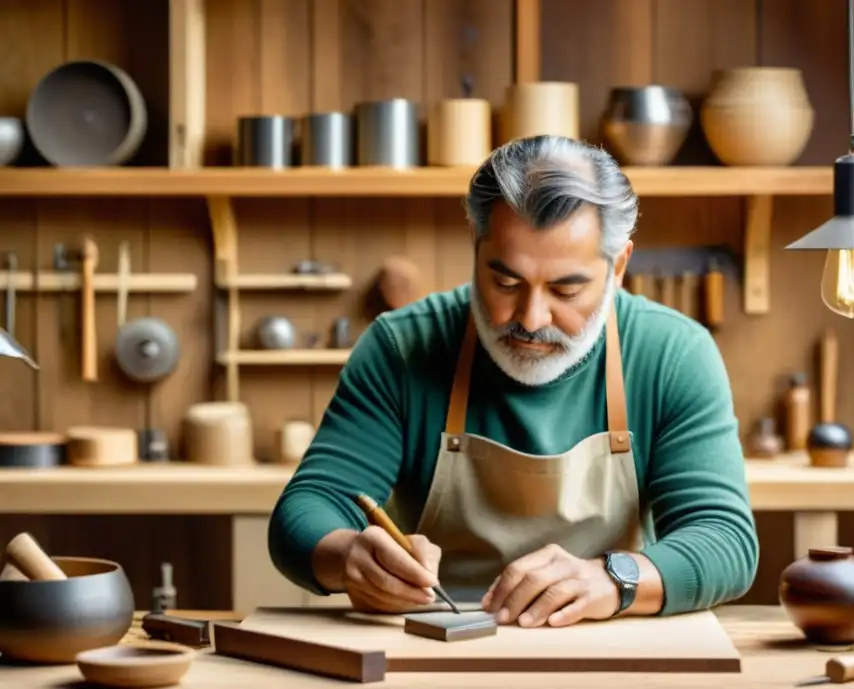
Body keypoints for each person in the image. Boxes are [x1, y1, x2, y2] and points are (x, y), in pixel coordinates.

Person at [268, 135, 758, 628]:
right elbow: (307, 510)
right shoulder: (403, 348)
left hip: (609, 646)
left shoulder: (672, 354)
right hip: (438, 640)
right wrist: (350, 557)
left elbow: (724, 539)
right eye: (505, 283)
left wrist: (613, 579)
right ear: (476, 248)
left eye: (567, 288)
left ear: (619, 267)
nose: (531, 316)